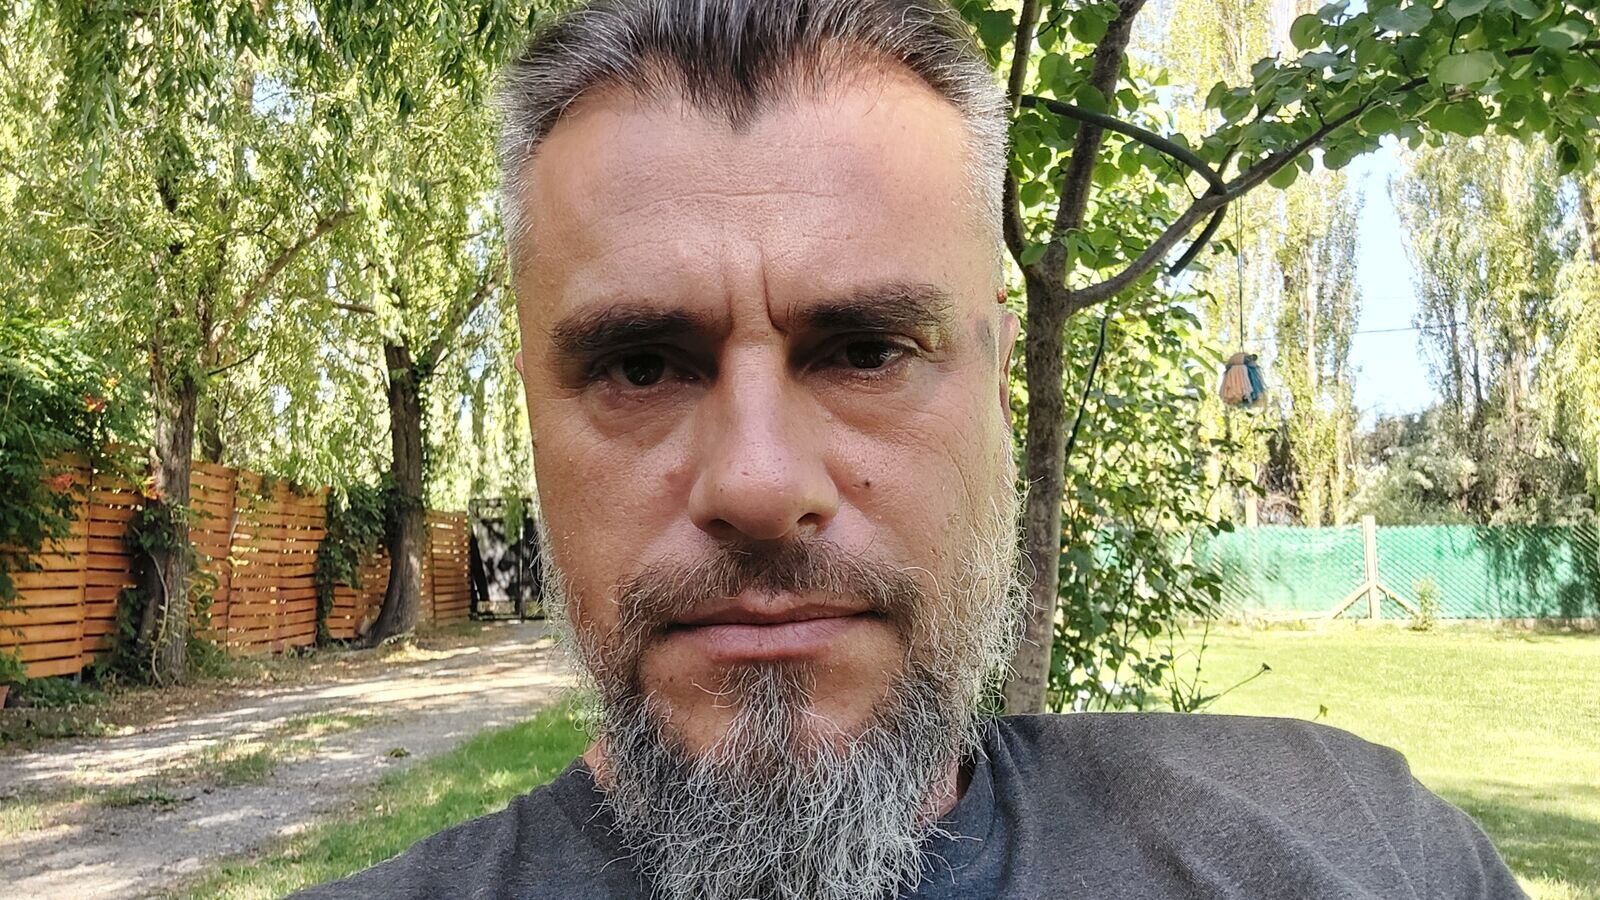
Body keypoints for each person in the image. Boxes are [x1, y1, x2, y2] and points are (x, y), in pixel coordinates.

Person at [298, 1, 1525, 897]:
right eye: (640, 367)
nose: (760, 484)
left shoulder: (1363, 848)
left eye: (866, 350)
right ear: (535, 420)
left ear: (998, 385)